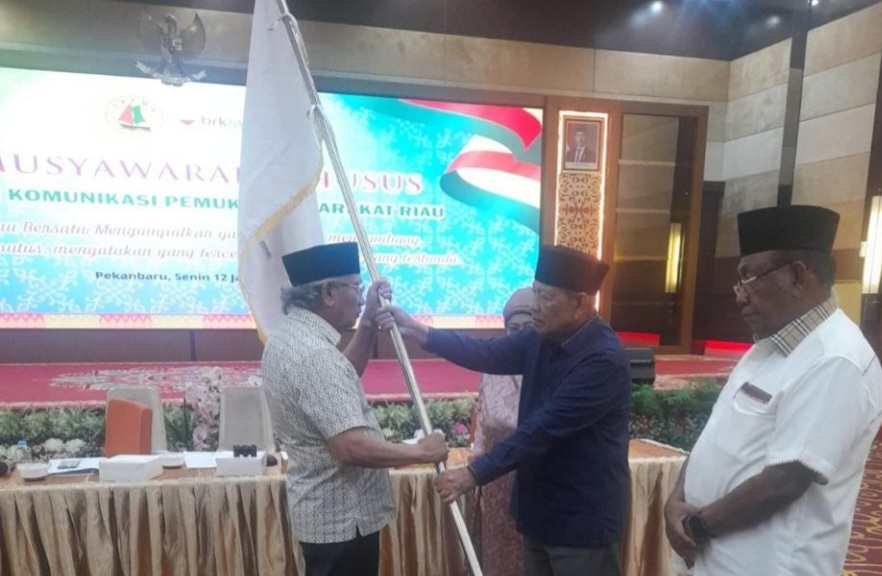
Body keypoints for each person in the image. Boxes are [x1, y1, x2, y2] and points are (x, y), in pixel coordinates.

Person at [377, 245, 632, 576]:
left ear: (581, 303)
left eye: (545, 298)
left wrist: (472, 474)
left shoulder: (602, 359)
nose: (534, 306)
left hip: (581, 523)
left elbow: (542, 430)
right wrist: (418, 331)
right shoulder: (541, 337)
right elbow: (485, 353)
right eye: (534, 293)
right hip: (538, 514)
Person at [663, 205, 882, 576]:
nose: (740, 295)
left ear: (797, 275)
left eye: (749, 278)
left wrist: (697, 526)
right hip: (711, 557)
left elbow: (785, 480)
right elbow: (715, 434)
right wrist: (677, 498)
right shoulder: (766, 347)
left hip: (768, 564)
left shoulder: (837, 359)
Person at [261, 242, 449, 576]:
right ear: (328, 292)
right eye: (356, 288)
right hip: (344, 520)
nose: (361, 298)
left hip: (325, 516)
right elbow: (349, 447)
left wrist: (368, 322)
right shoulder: (315, 356)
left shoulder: (289, 337)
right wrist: (420, 451)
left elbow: (338, 379)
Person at [469, 287, 533, 576]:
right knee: (499, 560)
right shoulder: (493, 368)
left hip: (536, 484)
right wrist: (475, 470)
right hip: (496, 486)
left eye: (528, 329)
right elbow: (483, 425)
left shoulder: (551, 368)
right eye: (513, 329)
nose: (519, 337)